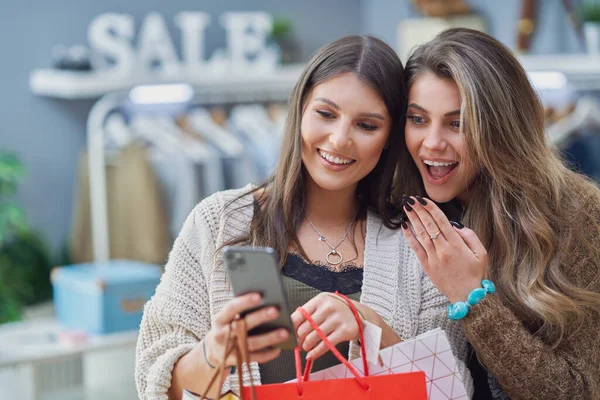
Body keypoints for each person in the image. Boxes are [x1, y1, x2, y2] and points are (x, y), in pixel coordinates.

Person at [135, 34, 472, 400]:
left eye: (367, 126)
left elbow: (453, 391)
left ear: (391, 136)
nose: (340, 139)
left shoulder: (421, 245)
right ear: (299, 110)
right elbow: (153, 377)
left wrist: (371, 328)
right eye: (326, 114)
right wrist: (213, 354)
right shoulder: (218, 221)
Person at [398, 28, 600, 399]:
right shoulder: (397, 204)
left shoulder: (576, 213)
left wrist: (472, 297)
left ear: (500, 127)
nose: (432, 142)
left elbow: (579, 392)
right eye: (418, 119)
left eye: (457, 123)